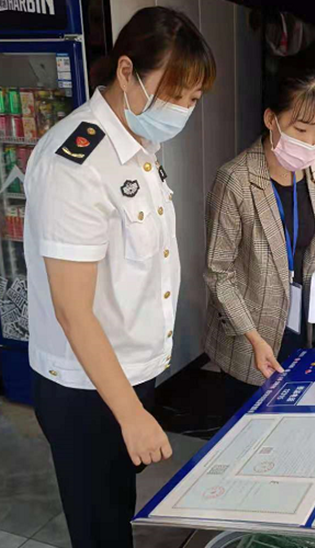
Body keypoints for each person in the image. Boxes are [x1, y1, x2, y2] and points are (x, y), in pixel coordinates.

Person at [23, 7, 215, 548]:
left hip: (130, 372)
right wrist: (129, 414)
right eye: (174, 93)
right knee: (100, 528)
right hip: (86, 389)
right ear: (127, 71)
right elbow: (72, 310)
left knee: (116, 509)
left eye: (193, 98)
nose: (182, 109)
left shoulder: (139, 146)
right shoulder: (75, 163)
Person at [204, 74, 315, 416]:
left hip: (297, 319)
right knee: (246, 424)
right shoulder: (235, 180)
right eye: (300, 130)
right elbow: (218, 272)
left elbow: (313, 225)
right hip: (250, 333)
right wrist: (253, 336)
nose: (310, 144)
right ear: (271, 120)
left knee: (290, 418)